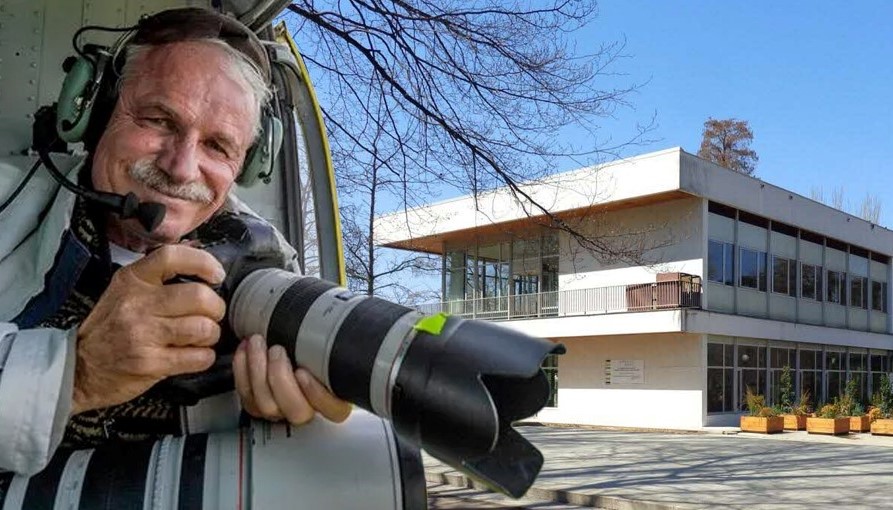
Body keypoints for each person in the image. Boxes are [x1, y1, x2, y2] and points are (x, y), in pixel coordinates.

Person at [0, 7, 350, 476]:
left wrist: (296, 425)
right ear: (98, 110)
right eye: (159, 120)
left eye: (217, 146)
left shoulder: (271, 263)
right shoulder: (6, 201)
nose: (181, 168)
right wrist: (77, 372)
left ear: (245, 166)